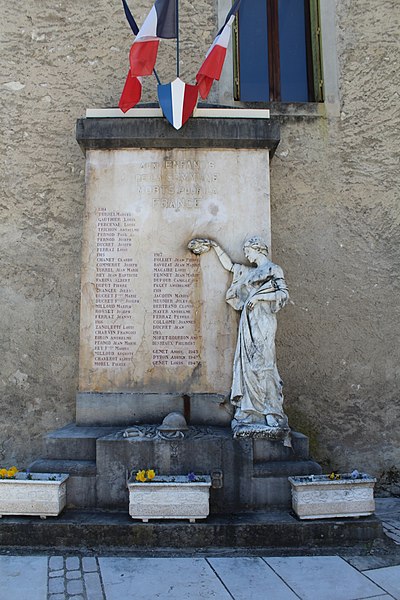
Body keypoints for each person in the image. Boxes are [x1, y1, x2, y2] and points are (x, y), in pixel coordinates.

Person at [188, 237, 289, 436]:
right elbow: (231, 266)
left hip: (264, 319)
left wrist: (259, 297)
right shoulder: (250, 272)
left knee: (265, 361)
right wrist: (216, 246)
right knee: (248, 363)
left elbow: (283, 294)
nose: (246, 255)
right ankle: (252, 410)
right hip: (248, 320)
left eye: (248, 251)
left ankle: (271, 410)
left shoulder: (273, 270)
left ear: (258, 249)